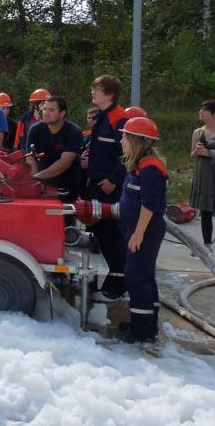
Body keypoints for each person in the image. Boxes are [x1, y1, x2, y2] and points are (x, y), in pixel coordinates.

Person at [116, 117, 168, 343]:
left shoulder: (151, 169)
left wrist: (138, 234)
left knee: (136, 278)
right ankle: (145, 324)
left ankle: (142, 333)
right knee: (144, 277)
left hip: (145, 231)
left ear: (137, 141)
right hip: (137, 229)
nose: (122, 141)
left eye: (125, 137)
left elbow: (149, 204)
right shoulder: (139, 165)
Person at [87, 74, 128, 302]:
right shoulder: (103, 116)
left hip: (110, 189)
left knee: (113, 238)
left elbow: (127, 155)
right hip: (98, 186)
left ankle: (118, 287)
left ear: (110, 94)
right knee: (103, 236)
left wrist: (113, 180)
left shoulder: (118, 118)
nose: (93, 92)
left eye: (98, 89)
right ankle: (113, 282)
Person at [189, 99, 215, 262]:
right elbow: (192, 154)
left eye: (205, 109)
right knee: (205, 211)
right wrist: (197, 151)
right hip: (203, 176)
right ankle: (206, 246)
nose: (201, 111)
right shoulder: (197, 132)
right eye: (201, 109)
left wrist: (211, 153)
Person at [25, 96, 83, 202]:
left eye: (51, 110)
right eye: (45, 109)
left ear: (62, 113)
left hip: (67, 190)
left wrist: (37, 177)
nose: (46, 113)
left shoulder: (73, 132)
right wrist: (35, 183)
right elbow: (30, 158)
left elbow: (63, 163)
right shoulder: (35, 129)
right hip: (41, 189)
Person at [79, 105, 100, 200]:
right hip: (83, 175)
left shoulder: (107, 136)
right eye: (89, 118)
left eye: (94, 118)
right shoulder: (84, 135)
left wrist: (91, 163)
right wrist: (79, 158)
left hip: (98, 177)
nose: (91, 120)